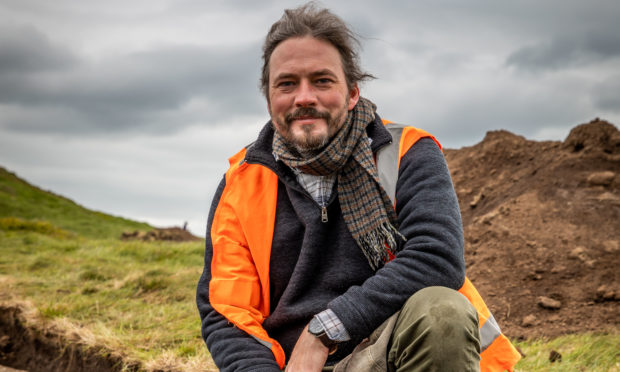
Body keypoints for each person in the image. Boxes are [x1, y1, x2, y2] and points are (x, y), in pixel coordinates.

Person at [196, 4, 521, 371]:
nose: (304, 97)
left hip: (388, 355)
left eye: (322, 80)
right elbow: (227, 311)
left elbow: (437, 257)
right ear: (270, 98)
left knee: (441, 311)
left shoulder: (406, 153)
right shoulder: (241, 183)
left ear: (352, 93)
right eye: (287, 84)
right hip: (290, 367)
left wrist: (324, 331)